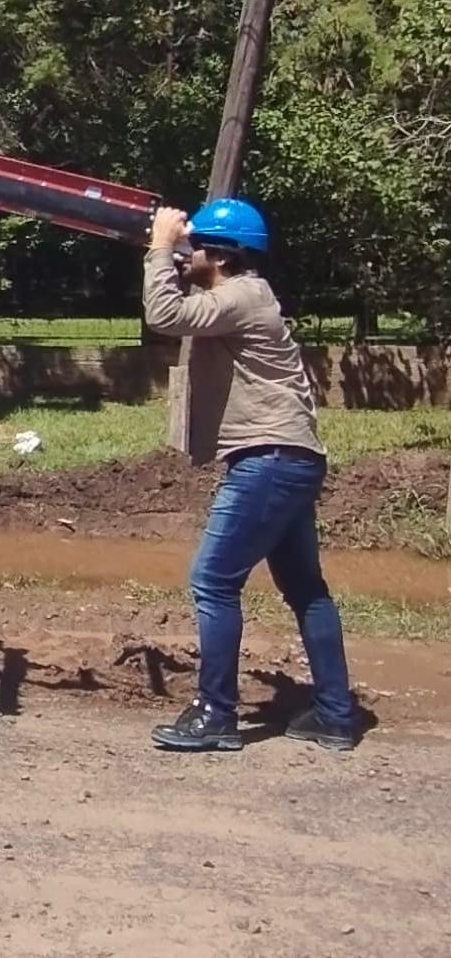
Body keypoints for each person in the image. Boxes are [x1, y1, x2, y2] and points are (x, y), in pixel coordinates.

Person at [142, 198, 358, 753]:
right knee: (306, 588)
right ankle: (335, 713)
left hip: (269, 461)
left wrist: (161, 245)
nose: (186, 257)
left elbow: (164, 315)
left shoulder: (238, 296)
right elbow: (187, 307)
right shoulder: (243, 295)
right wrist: (170, 251)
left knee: (213, 581)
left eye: (194, 249)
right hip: (291, 458)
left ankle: (216, 714)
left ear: (219, 254)